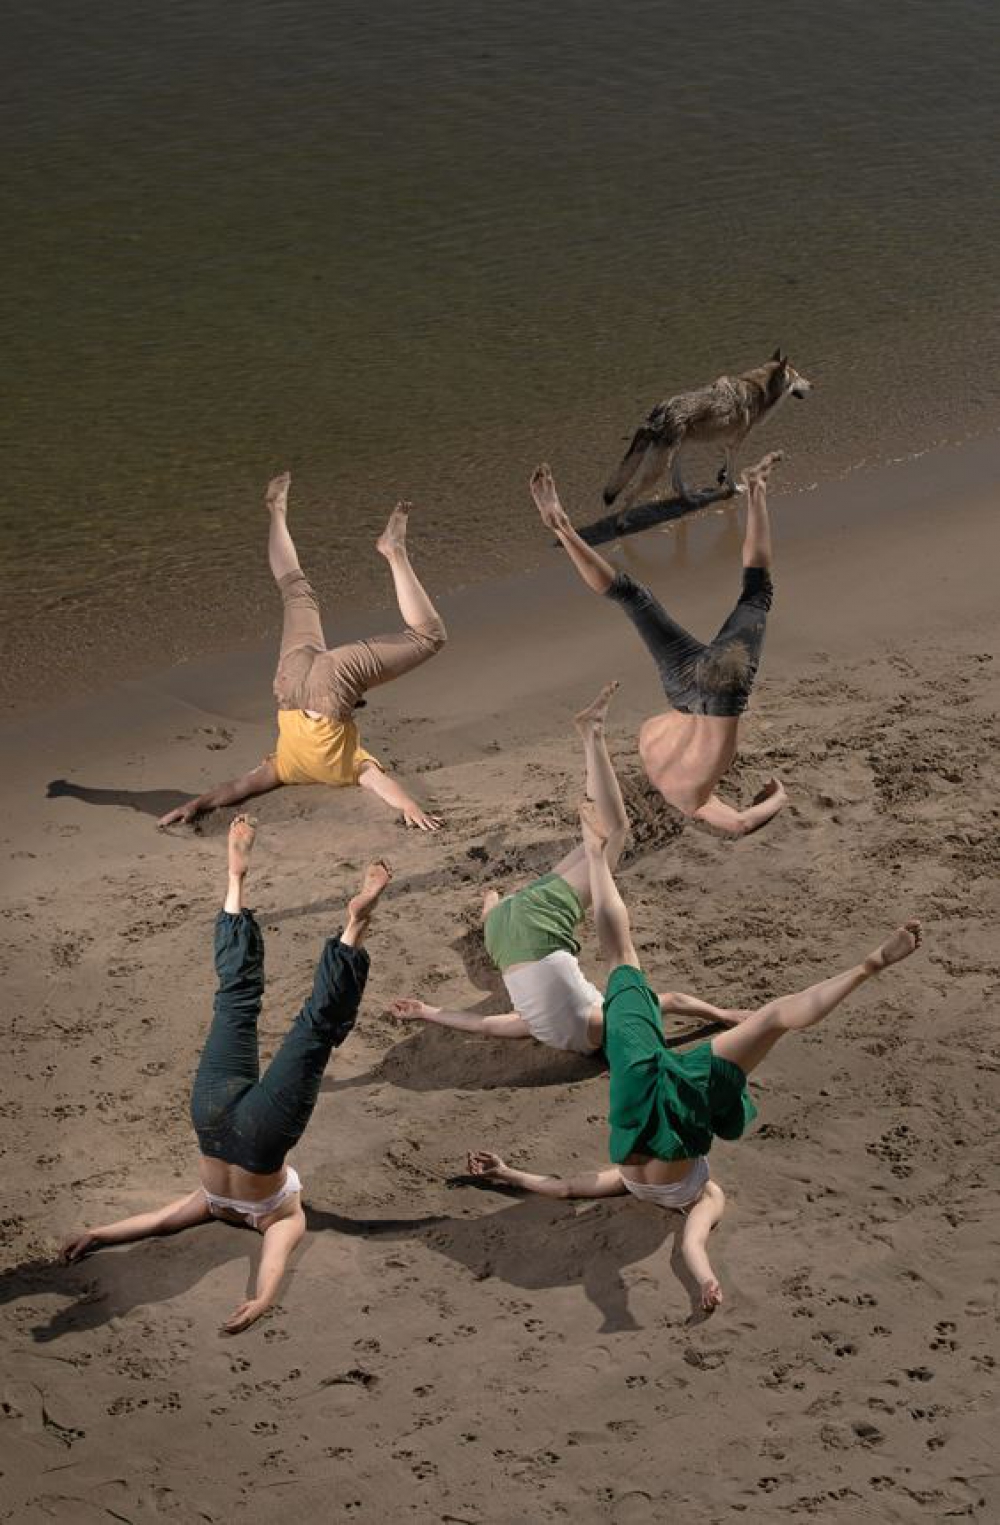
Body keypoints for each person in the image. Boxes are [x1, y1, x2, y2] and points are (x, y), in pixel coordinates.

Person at [468, 800, 922, 1313]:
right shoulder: (635, 1185)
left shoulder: (705, 1194)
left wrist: (510, 1174)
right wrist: (510, 1173)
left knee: (762, 1015)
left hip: (679, 1103)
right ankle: (596, 855)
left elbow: (679, 1237)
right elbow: (584, 1193)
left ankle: (865, 969)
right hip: (638, 1109)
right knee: (631, 961)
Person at [61, 816, 391, 1333]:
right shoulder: (210, 1203)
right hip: (211, 1121)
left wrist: (263, 1296)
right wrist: (100, 1234)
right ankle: (235, 884)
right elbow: (163, 1220)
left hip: (263, 1136)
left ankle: (351, 929)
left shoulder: (280, 1214)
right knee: (232, 1005)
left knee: (313, 1031)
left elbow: (266, 1256)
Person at [390, 682, 750, 1053]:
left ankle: (592, 733)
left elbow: (672, 1001)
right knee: (597, 841)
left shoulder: (607, 1022)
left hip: (538, 929)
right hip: (501, 934)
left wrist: (723, 1015)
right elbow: (485, 1025)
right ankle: (493, 903)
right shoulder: (543, 1032)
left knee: (614, 834)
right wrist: (427, 1011)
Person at [159, 473, 447, 832]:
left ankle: (393, 552)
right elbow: (236, 788)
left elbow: (383, 785)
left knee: (429, 637)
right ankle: (276, 511)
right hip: (289, 684)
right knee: (294, 590)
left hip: (331, 686)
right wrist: (196, 804)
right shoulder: (283, 767)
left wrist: (410, 807)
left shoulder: (352, 768)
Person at [530, 453, 787, 835]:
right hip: (680, 687)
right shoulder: (650, 752)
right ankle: (566, 530)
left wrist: (778, 796)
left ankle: (757, 489)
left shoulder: (692, 799)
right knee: (631, 595)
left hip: (720, 691)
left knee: (757, 593)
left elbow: (739, 823)